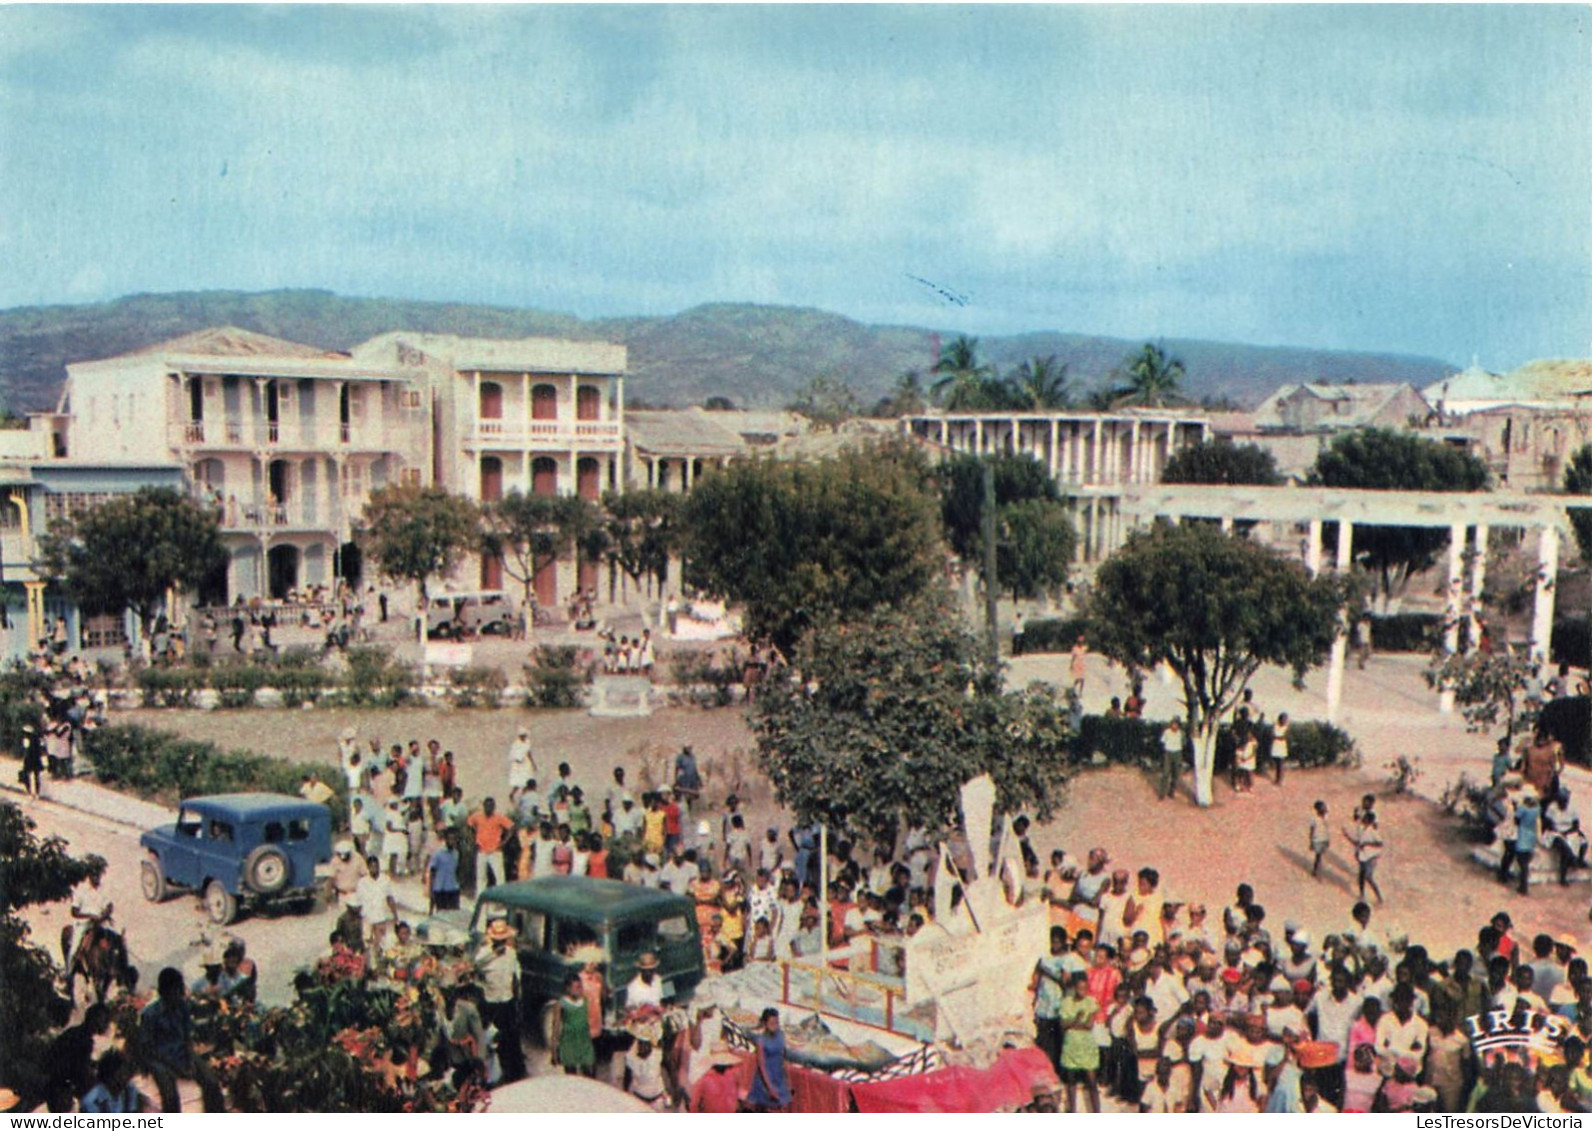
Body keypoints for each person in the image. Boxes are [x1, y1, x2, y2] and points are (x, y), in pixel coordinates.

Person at [139, 967, 226, 1112]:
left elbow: (186, 1038)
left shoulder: (182, 1007)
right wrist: (175, 1067)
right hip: (159, 1058)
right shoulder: (150, 1014)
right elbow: (149, 1049)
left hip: (180, 1051)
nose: (179, 995)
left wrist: (190, 1061)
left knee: (211, 1083)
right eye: (175, 991)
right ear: (164, 992)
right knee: (170, 1095)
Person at [476, 919, 526, 1083]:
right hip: (491, 1003)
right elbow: (476, 965)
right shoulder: (483, 954)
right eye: (498, 940)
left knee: (511, 1039)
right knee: (494, 1040)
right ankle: (494, 1075)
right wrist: (492, 955)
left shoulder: (511, 953)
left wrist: (518, 998)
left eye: (503, 940)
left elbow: (516, 976)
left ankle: (515, 1074)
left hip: (508, 1001)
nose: (501, 943)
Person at [550, 972, 596, 1078]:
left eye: (581, 987)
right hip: (569, 1042)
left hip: (584, 1042)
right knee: (571, 1076)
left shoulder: (585, 1000)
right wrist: (554, 1051)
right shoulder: (561, 1004)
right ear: (568, 988)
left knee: (590, 1073)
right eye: (577, 987)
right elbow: (555, 1028)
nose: (580, 990)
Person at [745, 1008, 791, 1112]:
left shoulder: (780, 1035)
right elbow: (761, 1065)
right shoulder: (761, 1041)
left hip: (779, 1076)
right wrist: (769, 1087)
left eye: (776, 1022)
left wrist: (787, 1078)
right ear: (765, 1024)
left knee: (783, 1105)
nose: (775, 1026)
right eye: (772, 1023)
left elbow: (783, 1056)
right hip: (766, 1078)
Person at [467, 797, 513, 894]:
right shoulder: (478, 816)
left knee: (499, 877)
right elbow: (469, 824)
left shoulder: (499, 817)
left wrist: (503, 843)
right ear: (483, 806)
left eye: (491, 806)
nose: (489, 808)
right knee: (481, 877)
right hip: (482, 850)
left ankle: (501, 899)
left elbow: (511, 828)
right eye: (487, 806)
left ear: (494, 807)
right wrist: (474, 840)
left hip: (495, 851)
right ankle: (480, 898)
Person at [1344, 809, 1385, 903]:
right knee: (1362, 876)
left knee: (1368, 877)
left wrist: (1367, 844)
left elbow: (1380, 843)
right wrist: (1347, 836)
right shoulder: (1361, 829)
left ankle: (1379, 897)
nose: (1363, 819)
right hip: (1363, 856)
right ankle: (1362, 895)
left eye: (1365, 818)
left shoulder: (1372, 831)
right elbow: (1358, 842)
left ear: (1369, 821)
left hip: (1371, 857)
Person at [426, 831, 461, 913]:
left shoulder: (456, 854)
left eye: (454, 839)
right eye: (450, 839)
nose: (452, 842)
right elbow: (432, 872)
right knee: (442, 913)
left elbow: (457, 870)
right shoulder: (438, 854)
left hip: (453, 888)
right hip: (440, 888)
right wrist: (431, 890)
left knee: (454, 913)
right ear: (446, 840)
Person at [1159, 718, 1184, 802]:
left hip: (1177, 752)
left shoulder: (1181, 733)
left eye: (1176, 724)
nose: (1174, 726)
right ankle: (1162, 793)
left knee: (1176, 774)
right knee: (1165, 773)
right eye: (1173, 724)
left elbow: (1183, 743)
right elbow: (1162, 742)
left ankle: (1171, 792)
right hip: (1168, 752)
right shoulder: (1167, 732)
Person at [1309, 799, 1332, 880]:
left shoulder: (1325, 817)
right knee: (1319, 856)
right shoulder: (1314, 819)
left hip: (1323, 838)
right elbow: (1311, 830)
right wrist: (1311, 841)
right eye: (1323, 807)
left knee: (1319, 856)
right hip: (1317, 839)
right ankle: (1317, 872)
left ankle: (1316, 871)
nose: (1325, 809)